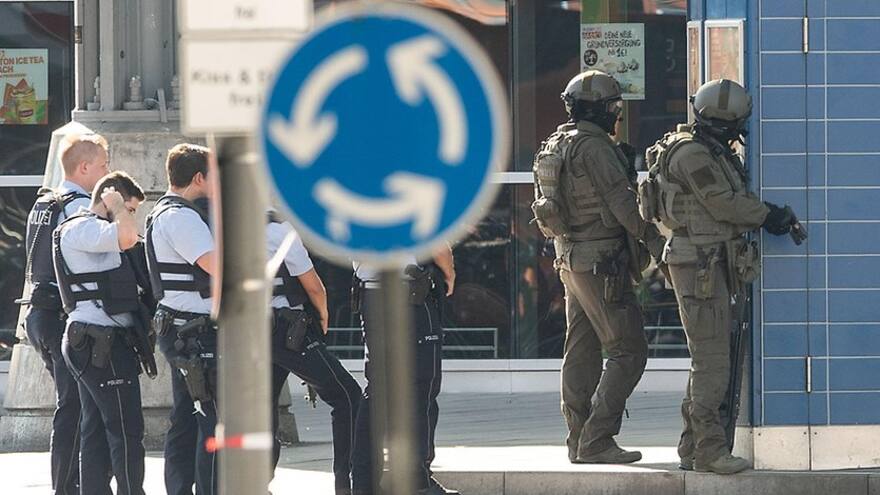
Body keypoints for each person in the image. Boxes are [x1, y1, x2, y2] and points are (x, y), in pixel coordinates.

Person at [641, 79, 800, 474]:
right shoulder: (692, 154)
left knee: (709, 358)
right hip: (701, 265)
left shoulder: (705, 149)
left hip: (708, 261)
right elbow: (722, 203)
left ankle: (693, 447)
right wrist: (768, 215)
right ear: (726, 122)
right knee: (712, 361)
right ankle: (709, 451)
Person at [532, 70, 666, 464]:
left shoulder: (557, 142)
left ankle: (578, 439)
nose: (617, 114)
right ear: (599, 109)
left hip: (570, 259)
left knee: (581, 349)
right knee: (629, 350)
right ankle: (597, 439)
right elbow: (623, 204)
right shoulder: (594, 147)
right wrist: (656, 243)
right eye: (613, 107)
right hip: (601, 263)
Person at [53, 171, 151, 495]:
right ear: (111, 198)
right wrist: (118, 207)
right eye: (130, 209)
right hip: (99, 342)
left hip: (100, 341)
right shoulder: (83, 228)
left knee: (95, 430)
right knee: (126, 431)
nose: (131, 218)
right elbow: (128, 237)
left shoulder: (98, 231)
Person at [23, 133, 109, 495]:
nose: (107, 172)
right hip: (62, 317)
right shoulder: (78, 208)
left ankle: (68, 484)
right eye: (103, 165)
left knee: (70, 405)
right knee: (76, 408)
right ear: (84, 167)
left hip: (38, 314)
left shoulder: (44, 202)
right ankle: (67, 487)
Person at [265, 211, 362, 495]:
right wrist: (321, 319)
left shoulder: (222, 226)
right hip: (286, 331)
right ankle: (348, 484)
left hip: (246, 331)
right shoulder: (280, 231)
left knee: (261, 411)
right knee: (348, 396)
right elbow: (313, 287)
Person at [350, 248, 458, 495]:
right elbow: (438, 245)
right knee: (421, 389)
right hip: (410, 297)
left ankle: (364, 483)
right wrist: (449, 273)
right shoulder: (403, 217)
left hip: (371, 295)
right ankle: (418, 482)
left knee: (377, 392)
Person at [145, 143, 218, 495]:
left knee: (188, 417)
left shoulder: (166, 212)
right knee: (212, 419)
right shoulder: (181, 217)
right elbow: (215, 266)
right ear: (199, 178)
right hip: (195, 332)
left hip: (182, 328)